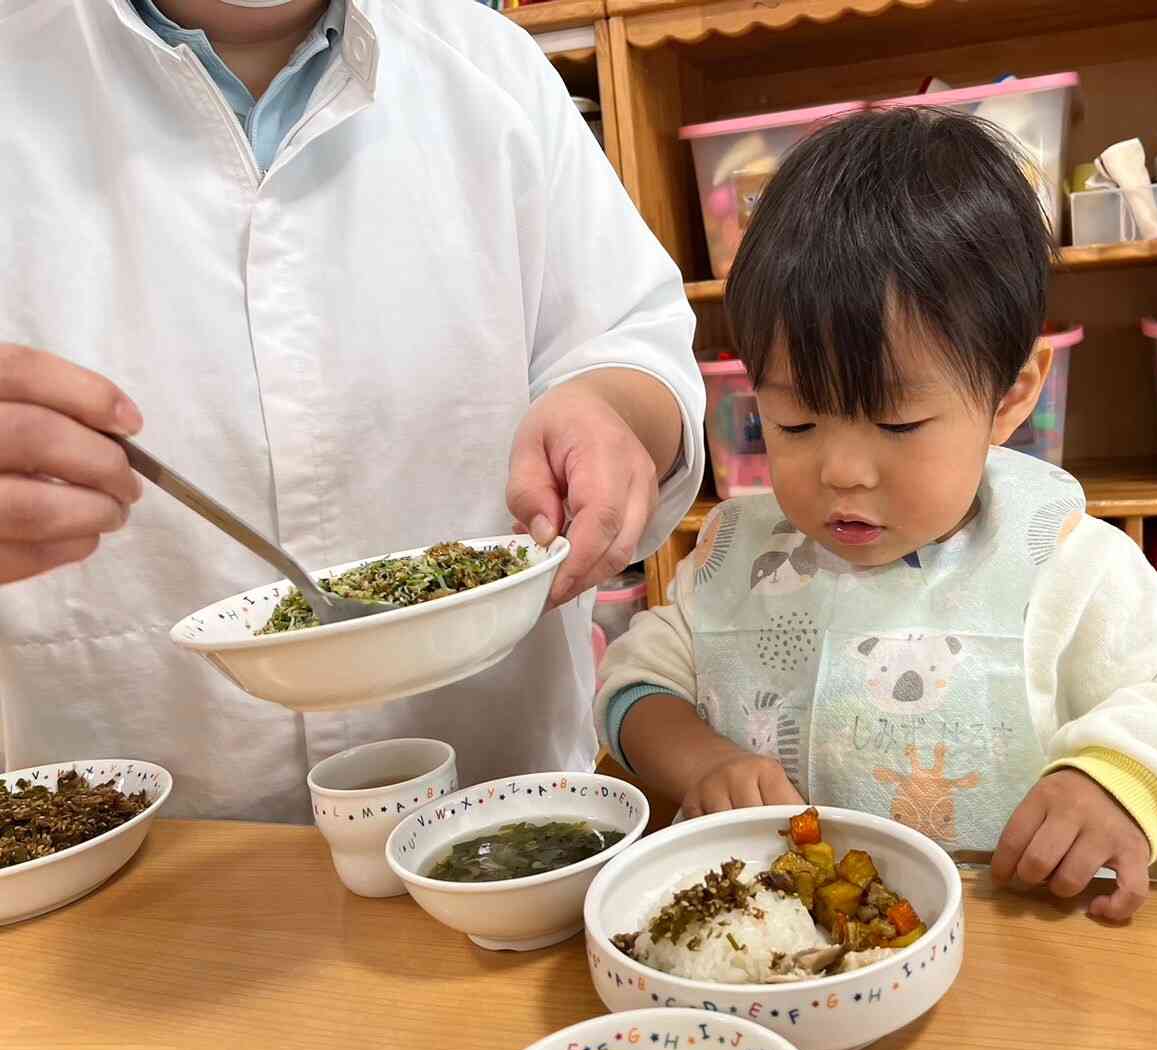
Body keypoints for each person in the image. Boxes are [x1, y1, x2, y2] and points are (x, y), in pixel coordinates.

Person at [596, 109, 1157, 921]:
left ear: (1010, 395)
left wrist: (1116, 782)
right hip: (766, 954)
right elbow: (634, 684)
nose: (841, 471)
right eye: (793, 422)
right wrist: (699, 760)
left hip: (1008, 946)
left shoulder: (1060, 566)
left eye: (897, 424)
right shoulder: (738, 558)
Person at [0, 0, 704, 821]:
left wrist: (610, 403)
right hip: (126, 845)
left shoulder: (488, 66)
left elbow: (633, 337)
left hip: (502, 809)